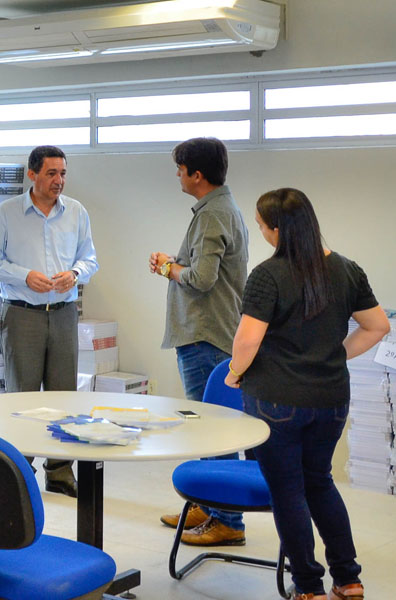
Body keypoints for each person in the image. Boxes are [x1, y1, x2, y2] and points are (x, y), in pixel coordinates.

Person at [225, 188, 389, 600]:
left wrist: (234, 373)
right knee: (319, 483)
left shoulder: (268, 275)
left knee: (287, 491)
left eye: (262, 226)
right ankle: (348, 580)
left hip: (276, 401)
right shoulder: (347, 269)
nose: (261, 232)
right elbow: (378, 326)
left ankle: (308, 587)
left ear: (278, 230)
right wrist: (334, 354)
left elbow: (247, 340)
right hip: (331, 400)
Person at [0, 145, 99, 498]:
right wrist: (24, 276)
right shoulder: (6, 213)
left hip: (63, 314)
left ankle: (59, 472)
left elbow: (90, 259)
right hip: (21, 314)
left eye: (63, 173)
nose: (59, 180)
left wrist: (75, 273)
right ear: (32, 174)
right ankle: (20, 471)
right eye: (51, 173)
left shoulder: (76, 212)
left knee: (64, 397)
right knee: (23, 397)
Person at [148, 137, 250, 545]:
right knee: (210, 426)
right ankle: (209, 506)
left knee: (214, 429)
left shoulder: (212, 214)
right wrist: (175, 264)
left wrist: (167, 269)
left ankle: (228, 520)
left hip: (205, 335)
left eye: (180, 169)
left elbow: (202, 279)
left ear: (197, 174)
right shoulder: (221, 208)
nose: (177, 175)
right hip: (210, 332)